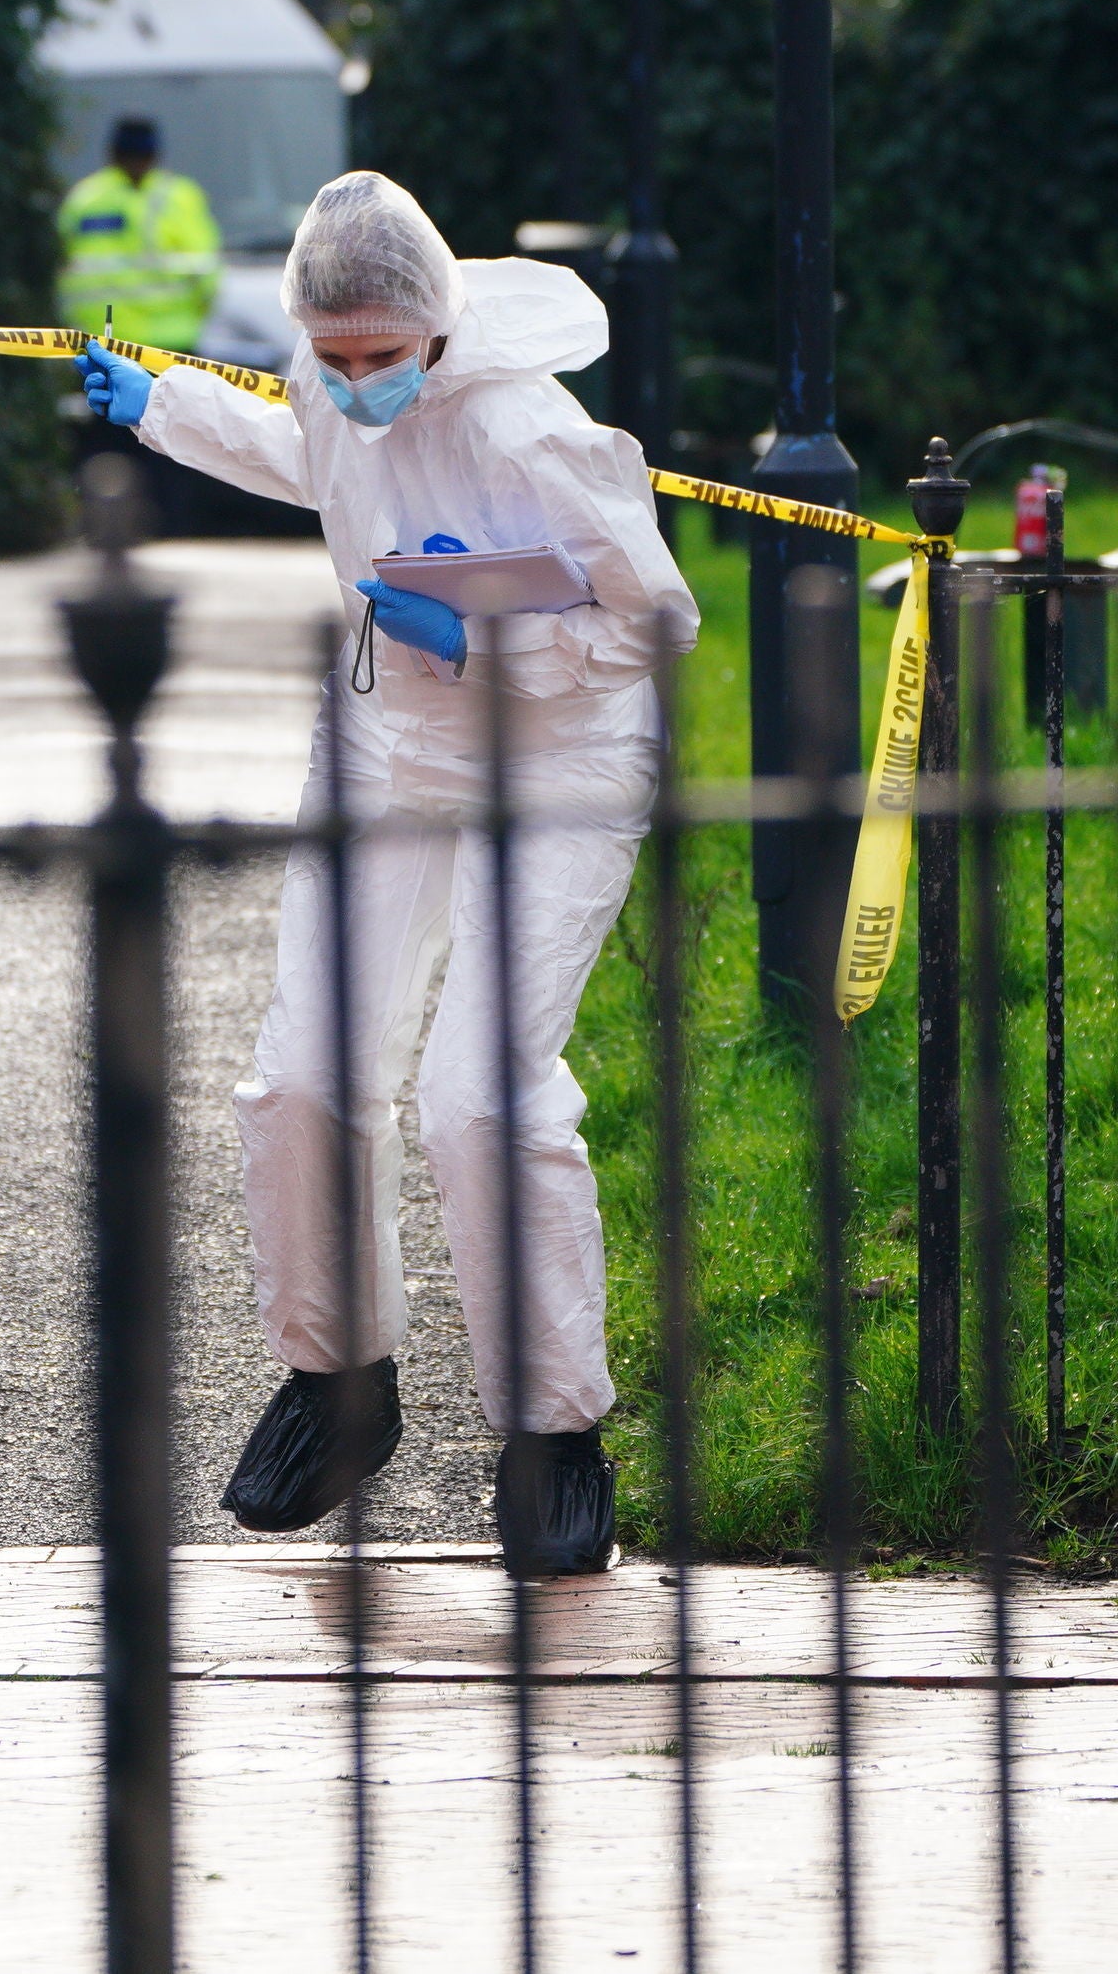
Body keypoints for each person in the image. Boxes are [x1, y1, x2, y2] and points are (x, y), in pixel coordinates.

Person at [74, 171, 698, 1578]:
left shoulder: (532, 430)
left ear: (435, 332)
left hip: (564, 749)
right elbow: (309, 449)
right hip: (390, 739)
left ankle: (554, 1437)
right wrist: (161, 402)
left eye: (379, 359)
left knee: (479, 1096)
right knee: (304, 1074)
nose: (354, 382)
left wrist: (494, 640)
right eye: (331, 355)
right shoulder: (325, 377)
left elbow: (658, 622)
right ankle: (336, 1387)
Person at [57, 116, 221, 351]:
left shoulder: (85, 199)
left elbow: (62, 266)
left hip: (104, 342)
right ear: (155, 154)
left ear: (112, 153)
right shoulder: (180, 197)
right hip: (170, 342)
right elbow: (208, 275)